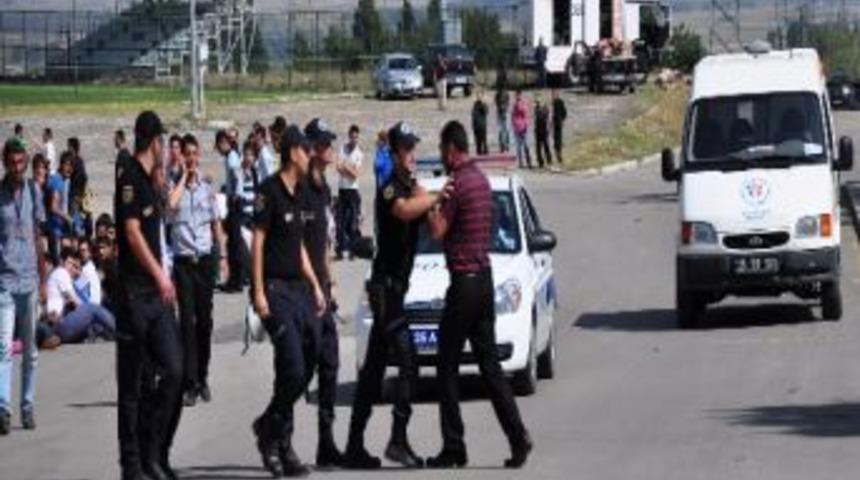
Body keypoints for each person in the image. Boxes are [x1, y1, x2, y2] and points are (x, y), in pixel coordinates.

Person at [427, 121, 532, 469]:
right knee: (490, 367)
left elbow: (440, 231)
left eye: (443, 150)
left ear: (451, 149)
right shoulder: (483, 182)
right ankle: (518, 437)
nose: (443, 156)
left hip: (465, 283)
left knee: (446, 366)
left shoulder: (457, 183)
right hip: (484, 280)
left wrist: (432, 204)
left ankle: (453, 447)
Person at [343, 122, 441, 470]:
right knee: (408, 361)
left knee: (372, 372)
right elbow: (401, 210)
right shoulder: (389, 187)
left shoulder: (411, 184)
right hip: (385, 290)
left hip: (396, 289)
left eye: (414, 149)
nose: (413, 154)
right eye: (408, 149)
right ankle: (397, 441)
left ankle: (354, 444)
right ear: (397, 152)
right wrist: (435, 196)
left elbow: (434, 225)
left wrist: (430, 198)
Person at [250, 125, 327, 478]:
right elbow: (259, 242)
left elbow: (297, 245)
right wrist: (259, 292)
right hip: (275, 291)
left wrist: (315, 283)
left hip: (298, 290)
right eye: (306, 149)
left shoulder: (298, 194)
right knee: (293, 366)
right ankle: (272, 438)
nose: (310, 153)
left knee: (307, 362)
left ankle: (274, 431)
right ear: (293, 152)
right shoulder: (270, 191)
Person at [114, 111, 183, 480]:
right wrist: (160, 275)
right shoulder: (129, 177)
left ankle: (152, 449)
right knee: (132, 386)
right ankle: (132, 464)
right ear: (155, 141)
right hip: (135, 295)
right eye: (163, 143)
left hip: (157, 296)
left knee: (173, 370)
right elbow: (131, 231)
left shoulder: (151, 181)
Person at [167, 133, 228, 408]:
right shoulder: (173, 184)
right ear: (181, 156)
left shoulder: (206, 187)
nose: (191, 158)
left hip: (204, 262)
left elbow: (216, 224)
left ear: (199, 155)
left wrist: (223, 255)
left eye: (194, 154)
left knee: (205, 323)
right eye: (186, 154)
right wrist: (183, 177)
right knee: (187, 323)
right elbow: (170, 205)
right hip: (183, 263)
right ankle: (189, 383)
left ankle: (203, 376)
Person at [303, 118, 345, 468]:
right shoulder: (300, 189)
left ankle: (326, 442)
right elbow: (298, 248)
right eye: (326, 143)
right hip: (302, 291)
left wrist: (330, 282)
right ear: (313, 148)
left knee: (330, 363)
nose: (331, 147)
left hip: (322, 290)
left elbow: (323, 247)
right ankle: (277, 435)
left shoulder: (323, 189)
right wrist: (316, 285)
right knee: (299, 371)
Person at [0, 138, 46, 435]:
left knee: (30, 350)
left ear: (25, 162)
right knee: (3, 346)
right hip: (4, 280)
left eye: (21, 163)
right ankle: (3, 408)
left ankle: (27, 405)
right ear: (5, 162)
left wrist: (43, 279)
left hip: (30, 279)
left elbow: (38, 235)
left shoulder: (33, 190)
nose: (17, 168)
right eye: (12, 163)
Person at [44, 247, 115, 343]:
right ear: (62, 262)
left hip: (58, 326)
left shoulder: (61, 275)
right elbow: (75, 301)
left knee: (93, 316)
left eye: (73, 264)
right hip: (58, 325)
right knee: (92, 308)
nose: (71, 267)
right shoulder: (61, 273)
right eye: (69, 263)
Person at [216, 130, 245, 293]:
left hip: (235, 202)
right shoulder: (231, 156)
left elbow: (237, 176)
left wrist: (233, 194)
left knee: (234, 243)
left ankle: (236, 280)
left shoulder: (232, 157)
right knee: (234, 241)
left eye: (219, 144)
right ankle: (235, 279)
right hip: (233, 200)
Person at [336, 124, 363, 260]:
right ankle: (340, 249)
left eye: (356, 138)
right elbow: (338, 167)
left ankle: (354, 250)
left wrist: (346, 167)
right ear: (349, 136)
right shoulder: (343, 148)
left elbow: (355, 174)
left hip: (353, 190)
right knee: (340, 221)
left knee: (353, 222)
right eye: (352, 137)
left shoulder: (359, 153)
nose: (354, 140)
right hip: (342, 189)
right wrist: (348, 168)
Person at [46, 151, 74, 265]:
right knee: (59, 264)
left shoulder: (62, 180)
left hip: (58, 228)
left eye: (71, 166)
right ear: (61, 164)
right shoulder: (58, 181)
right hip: (55, 230)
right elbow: (53, 207)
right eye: (67, 165)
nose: (69, 169)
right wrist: (67, 217)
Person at [76, 238, 102, 306]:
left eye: (84, 250)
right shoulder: (82, 269)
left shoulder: (90, 271)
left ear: (90, 252)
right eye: (80, 251)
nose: (81, 253)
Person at [512, 90, 533, 168]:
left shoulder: (523, 103)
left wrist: (520, 107)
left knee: (526, 145)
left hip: (524, 127)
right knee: (518, 147)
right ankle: (521, 163)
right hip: (517, 128)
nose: (517, 97)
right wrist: (514, 126)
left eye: (519, 95)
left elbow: (526, 113)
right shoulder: (514, 105)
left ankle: (529, 162)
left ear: (521, 95)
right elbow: (513, 116)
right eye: (516, 96)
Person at [534, 95, 552, 168]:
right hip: (539, 130)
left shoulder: (544, 109)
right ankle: (541, 162)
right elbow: (537, 119)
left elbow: (546, 118)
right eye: (537, 102)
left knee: (545, 146)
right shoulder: (537, 109)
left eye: (538, 102)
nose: (537, 103)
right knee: (539, 147)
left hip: (543, 130)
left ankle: (548, 161)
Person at [551, 89, 568, 165]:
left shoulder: (560, 102)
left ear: (557, 94)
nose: (553, 96)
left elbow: (564, 112)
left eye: (554, 94)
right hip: (555, 123)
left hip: (559, 123)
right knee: (555, 139)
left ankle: (559, 155)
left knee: (558, 139)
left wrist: (562, 120)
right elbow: (553, 115)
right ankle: (557, 156)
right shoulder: (553, 102)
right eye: (552, 94)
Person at [472, 89, 490, 155]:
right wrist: (473, 126)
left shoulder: (484, 104)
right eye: (477, 95)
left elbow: (486, 112)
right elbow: (473, 115)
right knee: (478, 143)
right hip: (476, 126)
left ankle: (486, 154)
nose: (478, 96)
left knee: (484, 142)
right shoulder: (475, 104)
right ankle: (478, 153)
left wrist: (482, 103)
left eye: (479, 95)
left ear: (482, 96)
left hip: (482, 126)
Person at [495, 86, 511, 153]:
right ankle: (502, 146)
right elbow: (496, 103)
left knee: (505, 130)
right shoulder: (497, 94)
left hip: (504, 113)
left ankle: (506, 145)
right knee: (501, 130)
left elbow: (508, 103)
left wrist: (505, 109)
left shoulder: (506, 94)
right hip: (500, 113)